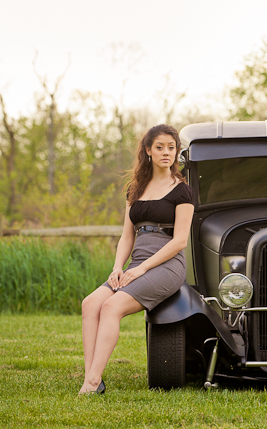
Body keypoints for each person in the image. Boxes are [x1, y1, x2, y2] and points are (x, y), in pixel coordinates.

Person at [78, 124, 195, 395]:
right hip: (135, 265)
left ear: (177, 152)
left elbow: (180, 241)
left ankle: (92, 383)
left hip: (166, 266)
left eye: (171, 147)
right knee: (91, 304)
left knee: (111, 308)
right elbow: (126, 237)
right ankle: (92, 377)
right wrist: (118, 267)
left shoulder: (182, 191)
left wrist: (141, 268)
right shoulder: (135, 189)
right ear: (148, 151)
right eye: (160, 147)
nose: (166, 152)